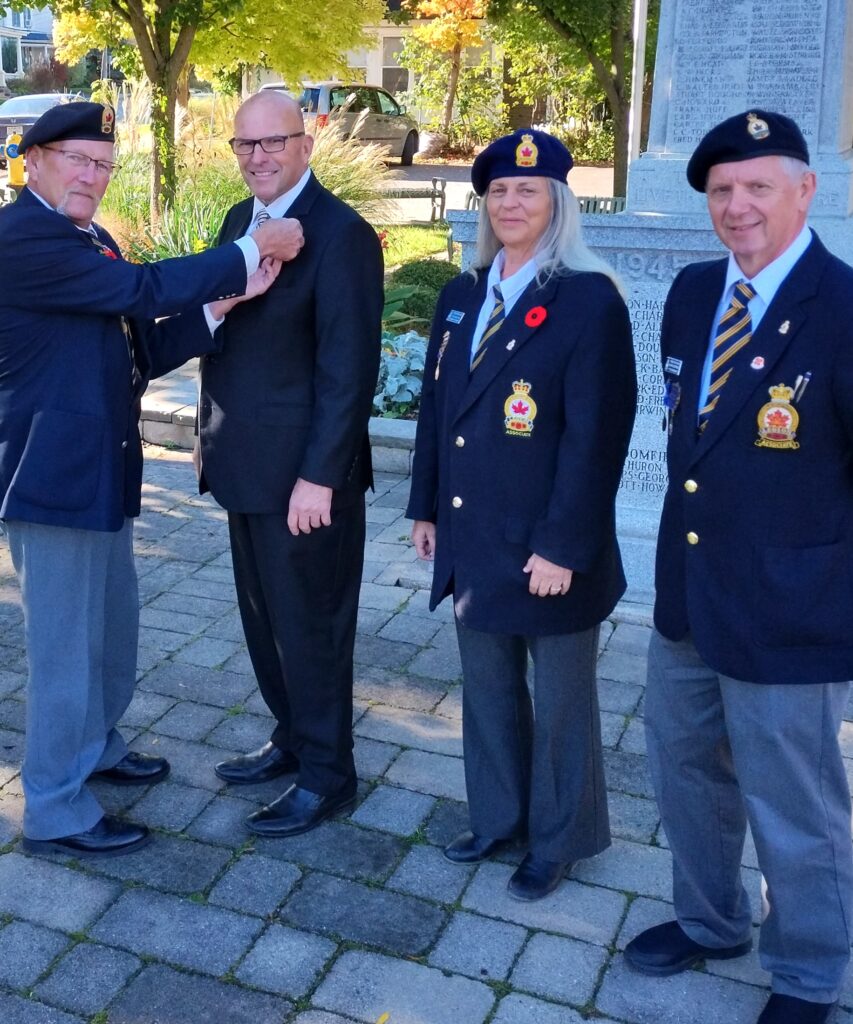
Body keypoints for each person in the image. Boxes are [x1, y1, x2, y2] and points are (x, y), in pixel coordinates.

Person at [0, 101, 303, 858]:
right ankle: (55, 808)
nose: (93, 177)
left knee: (111, 631)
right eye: (78, 158)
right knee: (67, 649)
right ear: (32, 160)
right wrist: (245, 250)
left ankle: (95, 748)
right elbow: (141, 291)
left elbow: (136, 348)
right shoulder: (22, 238)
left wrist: (219, 305)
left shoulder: (86, 238)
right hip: (50, 477)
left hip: (98, 468)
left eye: (103, 165)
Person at [623, 110, 853, 1024]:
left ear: (806, 190)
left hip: (791, 609)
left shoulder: (842, 310)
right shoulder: (688, 293)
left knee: (794, 807)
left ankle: (807, 972)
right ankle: (711, 919)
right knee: (683, 770)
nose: (736, 205)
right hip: (687, 595)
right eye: (721, 190)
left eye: (758, 186)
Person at [406, 128, 637, 901]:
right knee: (486, 685)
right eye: (498, 191)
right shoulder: (463, 293)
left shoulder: (585, 299)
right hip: (474, 530)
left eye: (527, 190)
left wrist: (564, 545)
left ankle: (561, 837)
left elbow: (595, 437)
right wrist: (424, 507)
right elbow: (438, 408)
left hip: (548, 543)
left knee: (562, 699)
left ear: (558, 203)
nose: (510, 202)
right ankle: (497, 816)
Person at [195, 91, 383, 838]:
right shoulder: (239, 223)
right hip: (244, 466)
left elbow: (348, 373)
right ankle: (292, 737)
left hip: (305, 483)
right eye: (244, 147)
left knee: (310, 630)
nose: (258, 158)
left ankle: (329, 775)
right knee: (265, 623)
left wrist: (320, 477)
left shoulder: (343, 236)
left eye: (273, 142)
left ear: (307, 144)